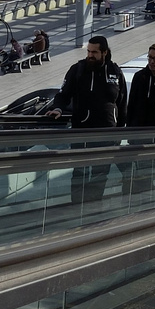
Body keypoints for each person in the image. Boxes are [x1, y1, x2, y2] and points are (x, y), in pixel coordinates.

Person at [49, 36, 128, 203]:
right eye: (88, 51)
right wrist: (58, 108)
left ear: (104, 52)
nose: (90, 55)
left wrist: (120, 132)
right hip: (81, 132)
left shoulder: (115, 72)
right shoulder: (77, 70)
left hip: (107, 134)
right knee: (80, 172)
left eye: (94, 52)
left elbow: (122, 104)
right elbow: (63, 94)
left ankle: (92, 208)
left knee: (100, 174)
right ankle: (77, 206)